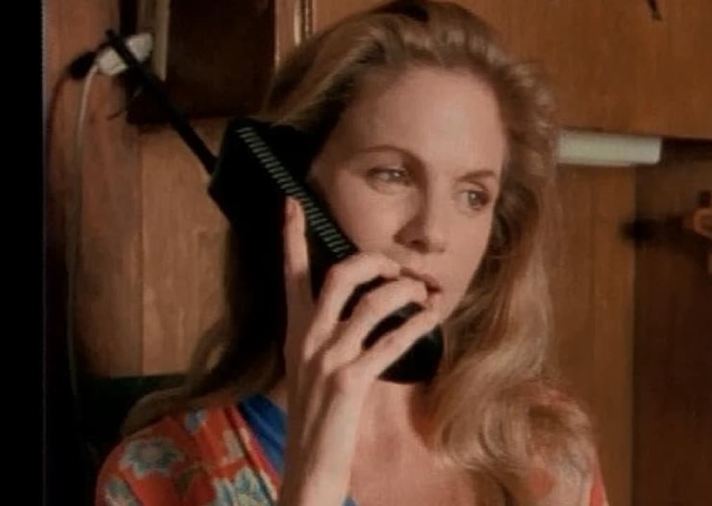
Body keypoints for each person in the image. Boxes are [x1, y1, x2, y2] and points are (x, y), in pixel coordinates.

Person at [95, 1, 608, 504]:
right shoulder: (155, 476)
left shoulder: (548, 449)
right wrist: (312, 480)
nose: (433, 233)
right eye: (392, 174)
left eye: (473, 195)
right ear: (289, 194)